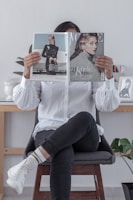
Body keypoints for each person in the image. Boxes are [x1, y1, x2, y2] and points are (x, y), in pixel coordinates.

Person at [6, 21, 120, 200]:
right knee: (62, 150)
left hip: (85, 137)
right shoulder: (43, 67)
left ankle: (28, 163)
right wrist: (27, 74)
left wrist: (108, 77)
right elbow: (25, 104)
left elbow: (107, 106)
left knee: (85, 117)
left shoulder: (91, 68)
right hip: (48, 130)